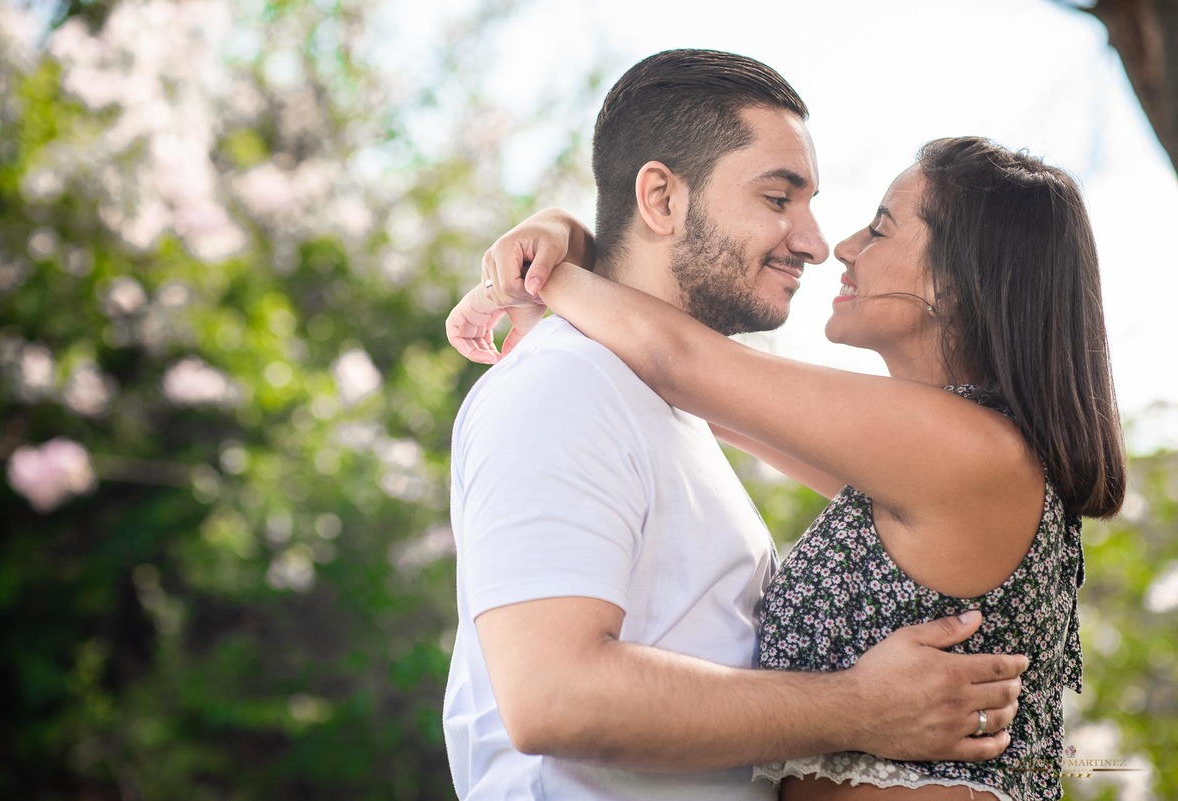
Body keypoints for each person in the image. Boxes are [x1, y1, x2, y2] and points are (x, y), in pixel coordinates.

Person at [450, 134, 1126, 799]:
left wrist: (540, 270)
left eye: (880, 230)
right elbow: (693, 394)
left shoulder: (967, 450)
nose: (843, 247)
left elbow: (678, 361)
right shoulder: (940, 459)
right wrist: (564, 228)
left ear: (956, 280)